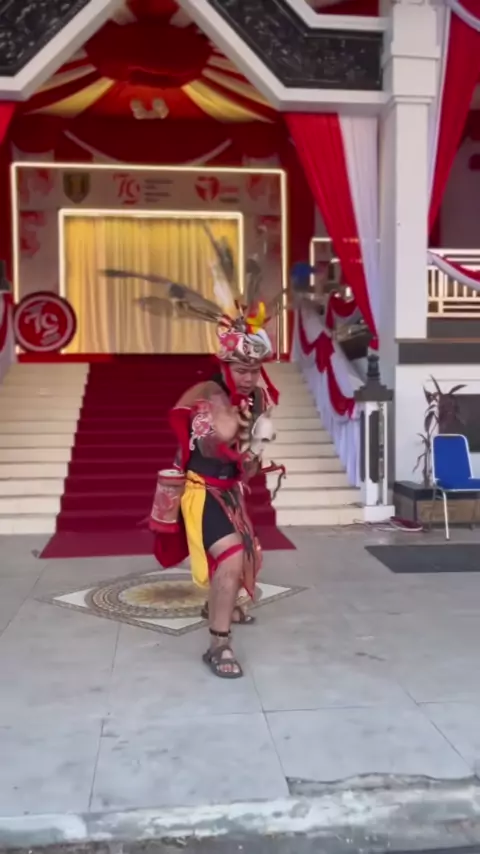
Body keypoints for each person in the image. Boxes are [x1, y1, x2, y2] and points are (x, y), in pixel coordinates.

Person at [154, 305, 279, 679]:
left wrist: (257, 446)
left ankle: (218, 608)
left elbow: (249, 464)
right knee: (230, 556)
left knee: (247, 554)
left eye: (254, 369)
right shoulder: (207, 394)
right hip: (201, 489)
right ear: (225, 365)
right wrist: (234, 432)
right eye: (241, 370)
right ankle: (218, 645)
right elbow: (211, 447)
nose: (249, 377)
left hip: (231, 489)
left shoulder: (257, 398)